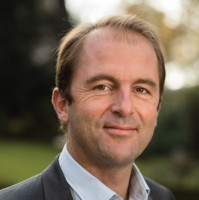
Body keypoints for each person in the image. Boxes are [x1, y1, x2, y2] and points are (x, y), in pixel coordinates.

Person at [0, 15, 175, 200]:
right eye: (102, 86)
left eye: (141, 90)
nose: (124, 107)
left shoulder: (163, 197)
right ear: (62, 105)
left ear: (157, 109)